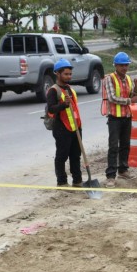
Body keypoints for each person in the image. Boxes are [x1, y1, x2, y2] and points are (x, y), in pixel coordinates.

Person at [102, 52, 137, 188]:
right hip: (114, 118)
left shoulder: (129, 79)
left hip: (126, 116)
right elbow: (112, 98)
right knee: (113, 146)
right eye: (121, 65)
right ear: (116, 65)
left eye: (126, 65)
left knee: (125, 144)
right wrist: (131, 100)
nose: (124, 68)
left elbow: (132, 94)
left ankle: (123, 169)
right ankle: (111, 175)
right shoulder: (109, 79)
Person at [46, 59, 82, 187]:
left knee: (76, 155)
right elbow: (51, 109)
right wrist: (63, 105)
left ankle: (77, 180)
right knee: (62, 156)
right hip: (62, 128)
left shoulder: (70, 89)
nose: (69, 76)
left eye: (70, 74)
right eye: (66, 74)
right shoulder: (53, 90)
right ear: (58, 73)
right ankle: (61, 182)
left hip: (75, 127)